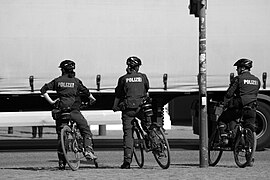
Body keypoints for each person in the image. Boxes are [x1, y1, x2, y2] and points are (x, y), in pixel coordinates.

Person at [40, 59, 97, 170]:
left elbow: (43, 90)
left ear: (62, 70)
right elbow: (86, 92)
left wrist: (52, 102)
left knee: (60, 137)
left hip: (61, 111)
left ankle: (62, 162)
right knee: (85, 130)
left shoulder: (57, 81)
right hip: (74, 111)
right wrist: (92, 98)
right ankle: (88, 151)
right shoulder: (76, 81)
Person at [218, 58, 260, 164]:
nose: (237, 70)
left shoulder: (238, 79)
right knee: (249, 127)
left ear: (242, 68)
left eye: (238, 68)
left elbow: (229, 94)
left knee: (222, 119)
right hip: (252, 108)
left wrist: (225, 101)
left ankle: (224, 138)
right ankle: (249, 156)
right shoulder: (256, 80)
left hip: (239, 108)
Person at [112, 56, 150, 169]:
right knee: (147, 125)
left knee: (128, 135)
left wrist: (115, 107)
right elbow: (146, 88)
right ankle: (151, 140)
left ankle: (127, 162)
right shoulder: (143, 77)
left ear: (128, 67)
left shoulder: (123, 79)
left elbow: (118, 94)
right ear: (137, 67)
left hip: (128, 109)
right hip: (141, 107)